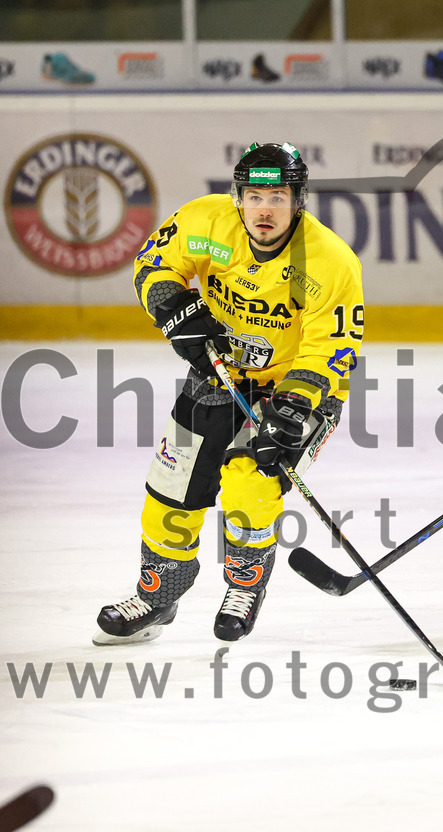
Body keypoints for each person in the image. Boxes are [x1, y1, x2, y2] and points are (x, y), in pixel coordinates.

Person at [94, 141, 364, 644]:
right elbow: (154, 263)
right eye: (255, 196)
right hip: (216, 374)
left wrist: (291, 409)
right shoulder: (205, 223)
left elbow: (331, 347)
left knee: (250, 483)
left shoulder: (329, 261)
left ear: (298, 201)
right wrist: (175, 308)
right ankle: (158, 593)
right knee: (172, 491)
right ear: (237, 196)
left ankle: (245, 585)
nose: (266, 208)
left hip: (296, 389)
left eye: (278, 197)